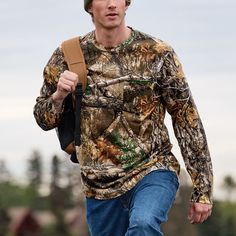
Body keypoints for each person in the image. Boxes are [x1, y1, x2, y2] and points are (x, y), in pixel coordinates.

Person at [33, 0, 213, 235]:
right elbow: (43, 119)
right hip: (99, 183)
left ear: (127, 4)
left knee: (143, 224)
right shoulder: (68, 55)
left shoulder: (157, 53)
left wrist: (203, 187)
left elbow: (186, 118)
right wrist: (58, 96)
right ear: (89, 7)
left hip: (153, 168)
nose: (111, 4)